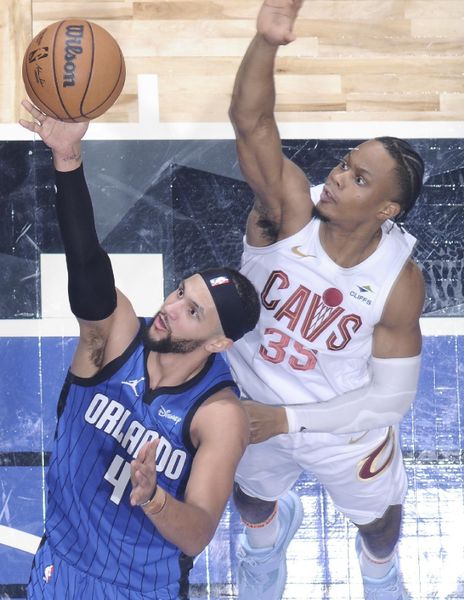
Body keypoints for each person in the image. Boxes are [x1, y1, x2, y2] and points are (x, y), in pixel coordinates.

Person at [18, 98, 261, 599]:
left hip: (140, 589)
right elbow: (87, 267)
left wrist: (152, 499)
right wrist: (67, 159)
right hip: (61, 567)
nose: (172, 307)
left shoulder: (218, 415)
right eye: (180, 292)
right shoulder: (116, 337)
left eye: (193, 311)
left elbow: (197, 533)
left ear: (218, 343)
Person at [225, 1, 426, 599]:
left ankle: (380, 573)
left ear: (387, 210)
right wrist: (266, 42)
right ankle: (265, 546)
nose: (338, 177)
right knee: (251, 499)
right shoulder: (285, 214)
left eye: (360, 179)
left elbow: (390, 400)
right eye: (345, 165)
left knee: (380, 523)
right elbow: (251, 124)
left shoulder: (399, 279)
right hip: (256, 401)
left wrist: (288, 420)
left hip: (343, 423)